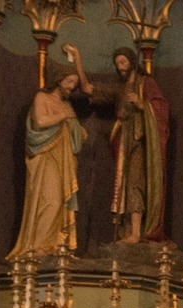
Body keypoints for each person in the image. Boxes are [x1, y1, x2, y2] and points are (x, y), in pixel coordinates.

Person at [68, 44, 169, 245]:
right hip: (122, 140)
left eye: (123, 62)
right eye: (117, 64)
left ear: (132, 62)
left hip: (141, 140)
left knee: (135, 181)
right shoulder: (119, 89)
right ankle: (129, 231)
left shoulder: (146, 83)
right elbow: (88, 88)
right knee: (123, 184)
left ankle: (137, 232)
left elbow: (161, 107)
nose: (120, 67)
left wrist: (142, 104)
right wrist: (78, 58)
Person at [8, 61, 88, 259]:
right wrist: (62, 116)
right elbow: (40, 122)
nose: (71, 86)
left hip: (63, 158)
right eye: (69, 81)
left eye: (74, 83)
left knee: (61, 201)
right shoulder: (41, 97)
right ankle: (39, 246)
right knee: (50, 201)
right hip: (44, 157)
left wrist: (77, 128)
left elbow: (78, 135)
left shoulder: (67, 105)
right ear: (58, 80)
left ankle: (56, 245)